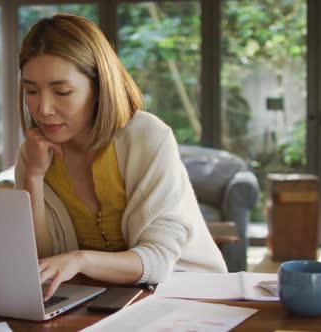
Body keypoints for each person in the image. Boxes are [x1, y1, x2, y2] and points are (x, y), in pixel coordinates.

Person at [14, 13, 227, 301]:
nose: (43, 108)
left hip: (183, 293)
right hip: (94, 300)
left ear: (99, 88)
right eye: (31, 91)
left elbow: (157, 260)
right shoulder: (34, 152)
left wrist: (81, 260)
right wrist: (33, 177)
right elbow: (41, 260)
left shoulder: (148, 137)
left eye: (62, 91)